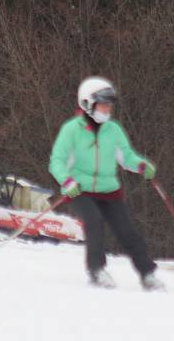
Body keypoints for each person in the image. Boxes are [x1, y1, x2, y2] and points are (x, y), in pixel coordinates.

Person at [49, 76, 164, 290]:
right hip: (80, 189)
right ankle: (96, 270)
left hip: (109, 191)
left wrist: (141, 165)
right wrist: (67, 181)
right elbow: (57, 161)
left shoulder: (114, 130)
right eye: (103, 104)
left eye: (109, 105)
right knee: (94, 221)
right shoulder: (72, 130)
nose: (107, 109)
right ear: (87, 104)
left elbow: (126, 157)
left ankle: (148, 274)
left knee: (127, 231)